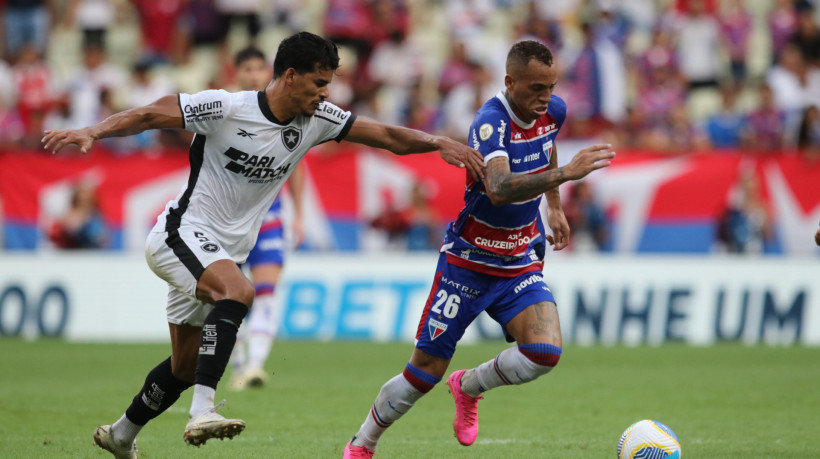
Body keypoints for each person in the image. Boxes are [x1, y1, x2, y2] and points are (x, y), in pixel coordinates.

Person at [42, 31, 484, 459]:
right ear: (290, 75)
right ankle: (202, 411)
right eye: (319, 82)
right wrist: (94, 132)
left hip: (222, 254)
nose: (325, 94)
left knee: (182, 366)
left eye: (328, 83)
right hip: (180, 234)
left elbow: (385, 136)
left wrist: (437, 141)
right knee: (239, 292)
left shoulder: (317, 121)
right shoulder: (226, 107)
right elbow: (154, 113)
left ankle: (121, 433)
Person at [343, 40, 614, 458]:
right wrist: (567, 175)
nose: (546, 97)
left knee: (544, 353)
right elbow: (500, 188)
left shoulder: (552, 111)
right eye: (536, 88)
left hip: (519, 259)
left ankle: (468, 386)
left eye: (551, 86)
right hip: (468, 263)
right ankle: (363, 442)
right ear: (510, 81)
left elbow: (548, 145)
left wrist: (555, 206)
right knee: (423, 373)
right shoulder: (491, 122)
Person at [227, 46, 306, 390]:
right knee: (228, 296)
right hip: (228, 220)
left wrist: (298, 214)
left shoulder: (285, 113)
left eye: (261, 67)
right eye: (247, 68)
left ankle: (255, 366)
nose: (254, 74)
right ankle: (238, 364)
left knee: (267, 292)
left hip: (269, 217)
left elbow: (297, 165)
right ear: (237, 74)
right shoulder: (226, 110)